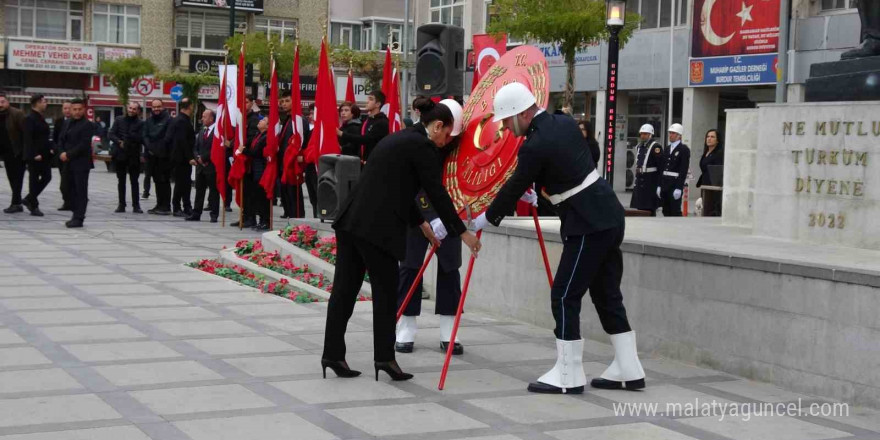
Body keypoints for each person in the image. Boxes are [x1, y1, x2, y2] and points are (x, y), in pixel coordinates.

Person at [471, 82, 646, 394]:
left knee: (564, 295)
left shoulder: (534, 145)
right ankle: (628, 367)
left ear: (523, 113)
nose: (508, 129)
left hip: (587, 222)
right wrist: (543, 191)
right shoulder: (563, 123)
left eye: (508, 121)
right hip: (607, 213)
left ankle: (568, 374)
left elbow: (515, 183)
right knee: (607, 294)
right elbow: (563, 166)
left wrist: (488, 217)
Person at [322, 101, 481, 382]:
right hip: (376, 230)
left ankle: (332, 354)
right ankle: (385, 359)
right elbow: (438, 194)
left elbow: (398, 188)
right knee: (386, 295)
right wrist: (463, 233)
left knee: (344, 291)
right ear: (437, 126)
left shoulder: (400, 138)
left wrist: (421, 222)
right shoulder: (424, 147)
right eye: (447, 136)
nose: (446, 142)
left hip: (351, 221)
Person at [395, 98, 466, 356]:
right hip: (417, 215)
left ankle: (449, 331)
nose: (448, 141)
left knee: (450, 270)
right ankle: (406, 327)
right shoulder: (415, 141)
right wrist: (429, 217)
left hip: (450, 215)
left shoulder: (458, 143)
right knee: (410, 269)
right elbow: (415, 184)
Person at [58, 99, 95, 228]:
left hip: (81, 163)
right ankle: (75, 211)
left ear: (84, 109)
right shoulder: (67, 123)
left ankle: (78, 217)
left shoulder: (87, 125)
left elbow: (84, 144)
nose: (77, 112)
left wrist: (68, 154)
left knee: (80, 190)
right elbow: (61, 139)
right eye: (75, 109)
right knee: (65, 187)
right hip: (67, 162)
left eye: (80, 109)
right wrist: (61, 152)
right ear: (70, 110)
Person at [109, 102, 145, 214]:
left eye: (134, 109)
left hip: (134, 155)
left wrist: (132, 138)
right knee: (121, 180)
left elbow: (142, 137)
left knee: (134, 181)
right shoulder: (119, 120)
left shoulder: (141, 123)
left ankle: (136, 205)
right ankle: (121, 204)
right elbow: (111, 134)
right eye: (130, 108)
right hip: (120, 155)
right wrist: (119, 141)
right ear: (127, 108)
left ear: (138, 111)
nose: (132, 110)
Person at [337, 90, 389, 164]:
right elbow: (358, 140)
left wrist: (342, 134)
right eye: (368, 99)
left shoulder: (382, 122)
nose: (367, 101)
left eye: (371, 99)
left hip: (375, 162)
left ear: (378, 104)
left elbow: (366, 139)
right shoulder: (366, 120)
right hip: (362, 162)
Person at [22, 94, 52, 217]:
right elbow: (28, 138)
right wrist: (33, 154)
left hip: (44, 154)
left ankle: (29, 198)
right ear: (37, 103)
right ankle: (34, 205)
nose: (46, 104)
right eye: (44, 101)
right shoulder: (30, 118)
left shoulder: (40, 117)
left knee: (47, 177)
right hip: (35, 155)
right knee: (33, 180)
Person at [238, 114, 270, 230]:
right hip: (254, 170)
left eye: (264, 120)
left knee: (262, 197)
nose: (260, 121)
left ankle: (265, 220)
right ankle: (260, 219)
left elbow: (256, 152)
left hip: (261, 170)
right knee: (257, 197)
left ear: (267, 126)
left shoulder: (266, 137)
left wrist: (243, 150)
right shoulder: (258, 135)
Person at [188, 109, 220, 223]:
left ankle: (214, 214)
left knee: (213, 191)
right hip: (200, 167)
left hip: (211, 166)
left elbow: (216, 148)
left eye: (204, 116)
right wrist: (197, 157)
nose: (202, 119)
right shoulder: (202, 131)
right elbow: (195, 147)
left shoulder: (217, 131)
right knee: (199, 191)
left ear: (211, 118)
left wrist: (204, 158)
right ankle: (196, 213)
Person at [167, 98, 196, 217]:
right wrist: (190, 157)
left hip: (181, 157)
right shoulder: (181, 121)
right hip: (181, 158)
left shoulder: (181, 119)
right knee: (181, 183)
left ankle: (187, 206)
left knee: (185, 183)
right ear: (190, 106)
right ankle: (177, 207)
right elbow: (182, 141)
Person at [143, 100, 172, 215]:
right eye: (154, 107)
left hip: (164, 156)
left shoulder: (168, 120)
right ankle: (159, 204)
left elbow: (167, 138)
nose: (156, 109)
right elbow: (144, 135)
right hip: (151, 156)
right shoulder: (149, 121)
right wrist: (150, 147)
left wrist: (156, 148)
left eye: (158, 107)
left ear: (162, 107)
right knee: (156, 181)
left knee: (164, 181)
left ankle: (166, 206)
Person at [0, 92, 26, 214]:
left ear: (8, 102)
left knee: (17, 178)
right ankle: (17, 202)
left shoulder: (17, 114)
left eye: (2, 102)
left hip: (17, 151)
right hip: (5, 152)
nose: (0, 104)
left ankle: (16, 203)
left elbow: (26, 133)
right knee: (12, 178)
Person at [630, 124, 663, 216]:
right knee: (640, 208)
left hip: (650, 182)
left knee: (649, 208)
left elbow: (661, 167)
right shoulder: (639, 146)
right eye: (641, 134)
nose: (642, 136)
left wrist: (659, 185)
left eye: (645, 134)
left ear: (650, 135)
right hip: (640, 180)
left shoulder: (656, 147)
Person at [658, 123, 690, 217]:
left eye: (673, 133)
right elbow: (662, 168)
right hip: (665, 183)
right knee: (665, 210)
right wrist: (659, 185)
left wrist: (679, 187)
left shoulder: (683, 149)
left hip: (674, 183)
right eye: (670, 133)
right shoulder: (667, 148)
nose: (670, 135)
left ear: (679, 136)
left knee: (675, 210)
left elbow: (683, 170)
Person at [696, 129, 724, 217]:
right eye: (708, 136)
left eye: (712, 137)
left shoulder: (719, 154)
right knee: (704, 209)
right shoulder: (706, 153)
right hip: (705, 185)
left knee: (711, 210)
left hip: (713, 187)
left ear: (717, 140)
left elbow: (718, 171)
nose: (709, 139)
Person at [53, 101, 73, 210]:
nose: (67, 110)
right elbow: (56, 138)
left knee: (72, 181)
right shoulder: (59, 121)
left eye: (69, 108)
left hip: (73, 155)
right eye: (65, 108)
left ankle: (73, 201)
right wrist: (58, 151)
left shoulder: (77, 121)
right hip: (61, 155)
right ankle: (66, 201)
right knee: (63, 182)